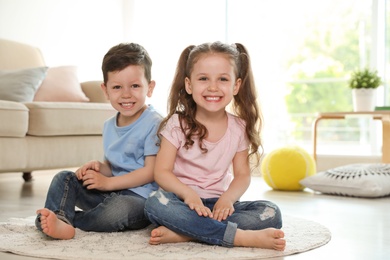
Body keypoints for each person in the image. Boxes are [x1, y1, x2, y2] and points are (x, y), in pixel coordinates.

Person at [144, 41, 286, 251]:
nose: (213, 87)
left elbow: (242, 175)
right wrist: (189, 195)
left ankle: (186, 233)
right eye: (203, 79)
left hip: (220, 206)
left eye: (222, 79)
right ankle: (238, 237)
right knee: (155, 202)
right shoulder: (177, 124)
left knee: (271, 212)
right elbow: (162, 172)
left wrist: (228, 199)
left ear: (235, 86)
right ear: (189, 84)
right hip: (183, 203)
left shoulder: (238, 127)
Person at [35, 42, 162, 240]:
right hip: (110, 193)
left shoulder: (154, 123)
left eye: (135, 86)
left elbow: (151, 172)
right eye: (117, 87)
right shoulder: (109, 125)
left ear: (150, 87)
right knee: (64, 178)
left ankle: (69, 220)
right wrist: (99, 168)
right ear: (106, 90)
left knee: (116, 211)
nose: (126, 94)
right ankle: (60, 218)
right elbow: (113, 167)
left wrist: (108, 183)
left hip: (139, 200)